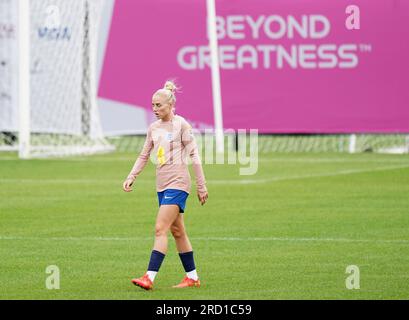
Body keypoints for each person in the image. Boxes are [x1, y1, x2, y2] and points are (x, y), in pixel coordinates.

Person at [123, 80, 208, 290]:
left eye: (159, 105)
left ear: (170, 105)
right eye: (152, 105)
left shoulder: (181, 125)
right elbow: (144, 155)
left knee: (160, 228)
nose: (154, 109)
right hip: (161, 187)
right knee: (178, 231)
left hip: (178, 184)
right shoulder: (153, 128)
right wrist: (132, 175)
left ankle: (149, 277)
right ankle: (193, 277)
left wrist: (201, 185)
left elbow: (194, 155)